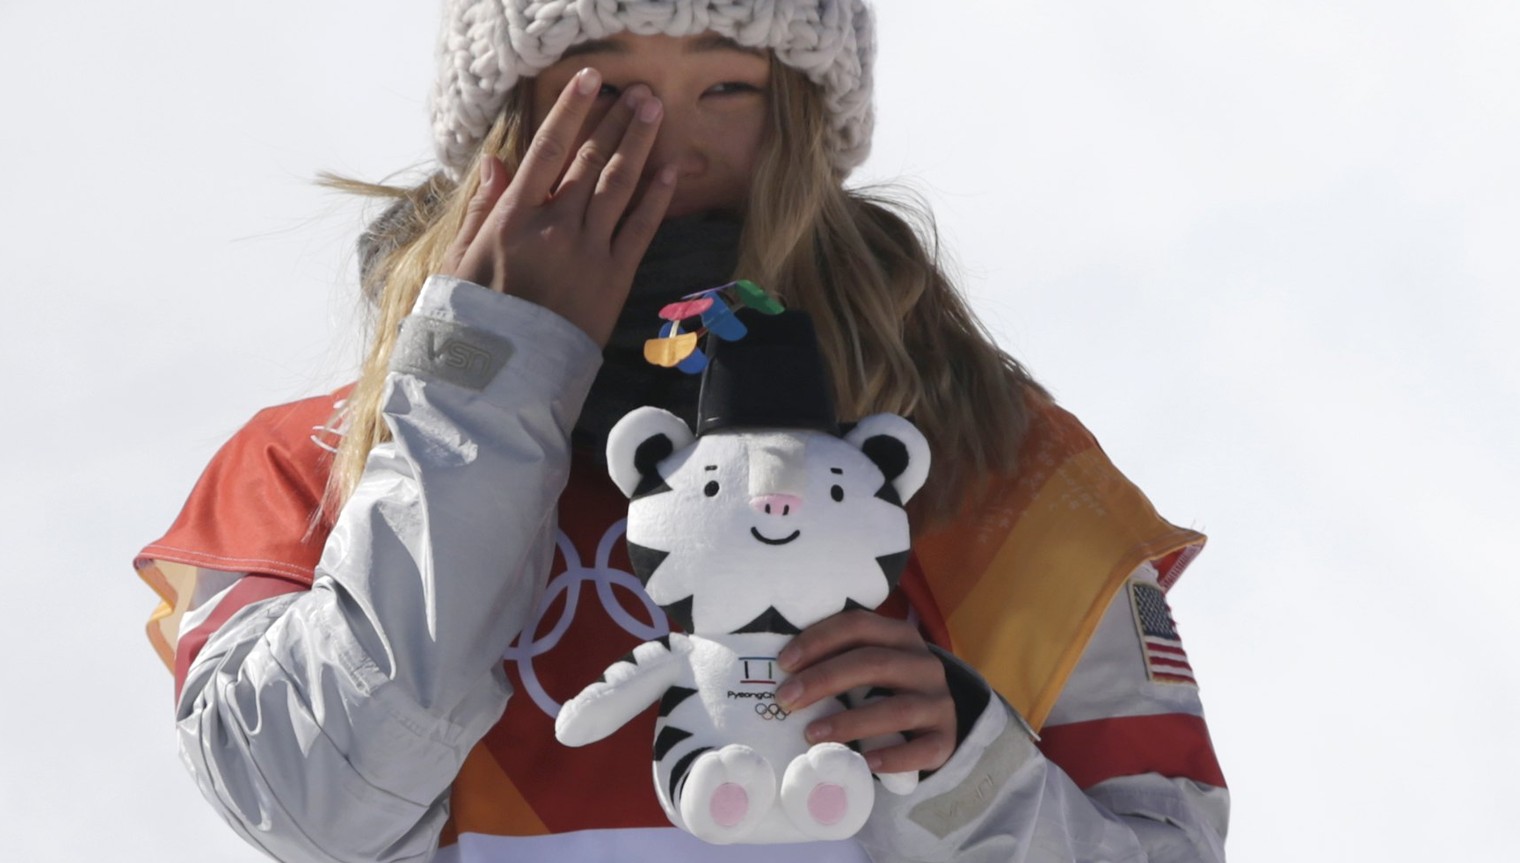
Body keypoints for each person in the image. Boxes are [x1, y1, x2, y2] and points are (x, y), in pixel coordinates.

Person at [134, 2, 1228, 861]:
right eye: (601, 84)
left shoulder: (987, 463)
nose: (664, 146)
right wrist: (484, 374)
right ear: (507, 112)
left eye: (725, 86)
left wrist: (964, 774)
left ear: (801, 114)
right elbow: (313, 807)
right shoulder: (312, 465)